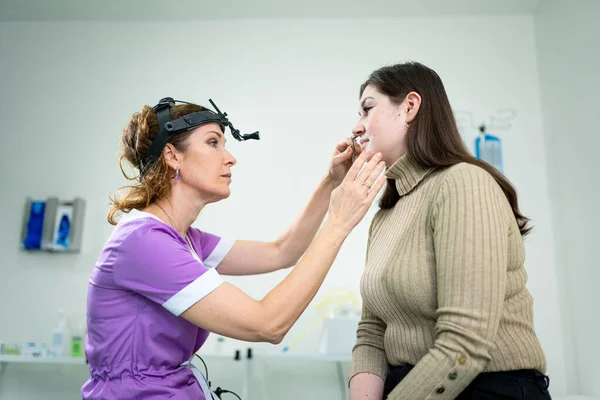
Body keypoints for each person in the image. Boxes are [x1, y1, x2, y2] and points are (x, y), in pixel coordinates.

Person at [81, 97, 386, 399]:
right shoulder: (143, 243)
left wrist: (330, 182)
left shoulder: (185, 239)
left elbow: (281, 252)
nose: (230, 157)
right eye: (213, 143)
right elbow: (267, 324)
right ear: (172, 155)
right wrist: (340, 221)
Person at [348, 62, 551, 400]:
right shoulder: (385, 214)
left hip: (484, 389)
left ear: (410, 107)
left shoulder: (463, 184)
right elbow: (372, 333)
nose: (357, 127)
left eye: (368, 109)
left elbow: (464, 344)